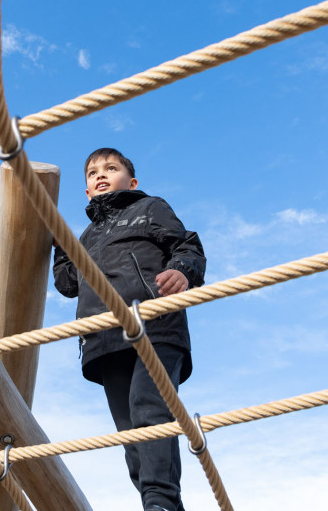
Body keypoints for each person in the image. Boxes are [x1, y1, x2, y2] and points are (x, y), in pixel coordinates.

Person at [53, 148, 206, 511]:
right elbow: (68, 283)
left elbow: (187, 245)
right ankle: (154, 502)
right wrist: (58, 243)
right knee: (129, 429)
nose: (100, 174)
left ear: (132, 181)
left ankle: (160, 502)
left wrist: (182, 270)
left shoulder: (149, 208)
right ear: (87, 191)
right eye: (92, 173)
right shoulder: (85, 236)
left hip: (154, 323)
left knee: (148, 409)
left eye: (111, 168)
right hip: (103, 338)